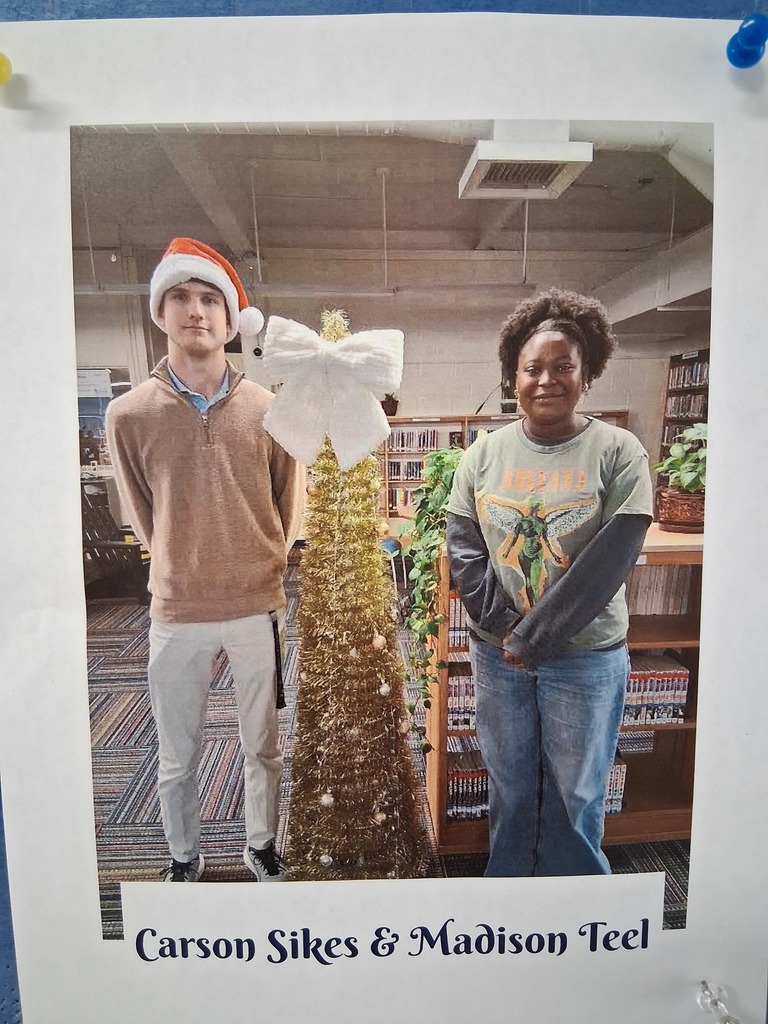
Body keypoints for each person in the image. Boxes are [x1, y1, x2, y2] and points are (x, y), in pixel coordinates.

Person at [106, 238, 305, 883]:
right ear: (160, 313)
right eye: (181, 297)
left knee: (263, 747)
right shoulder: (129, 415)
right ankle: (183, 855)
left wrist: (264, 563)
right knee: (176, 751)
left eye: (210, 298)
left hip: (256, 607)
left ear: (230, 319)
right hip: (177, 609)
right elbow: (140, 510)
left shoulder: (269, 411)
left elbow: (287, 502)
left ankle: (261, 845)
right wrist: (173, 561)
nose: (196, 310)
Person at [446, 288, 653, 877]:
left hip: (584, 659)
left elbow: (610, 560)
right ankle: (507, 903)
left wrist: (534, 638)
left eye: (564, 366)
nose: (547, 379)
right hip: (498, 655)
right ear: (514, 375)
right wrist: (507, 630)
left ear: (587, 372)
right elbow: (464, 550)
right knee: (509, 787)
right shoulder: (481, 455)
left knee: (576, 796)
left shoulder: (618, 452)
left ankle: (577, 918)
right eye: (533, 368)